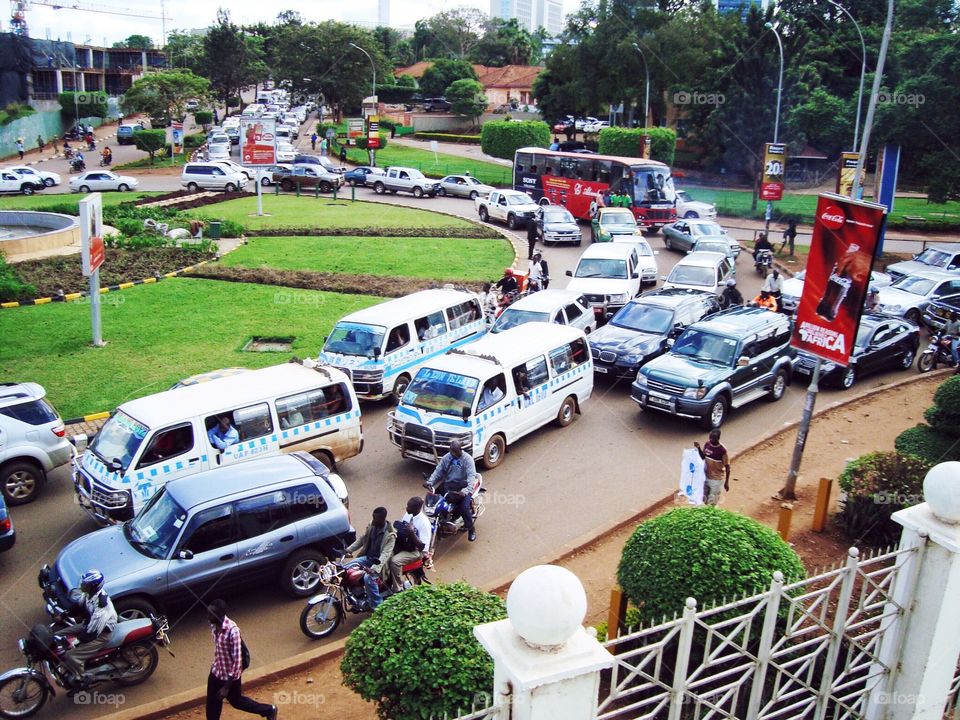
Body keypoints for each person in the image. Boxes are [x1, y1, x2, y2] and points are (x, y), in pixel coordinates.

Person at [205, 599, 277, 720]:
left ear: (218, 615)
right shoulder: (213, 625)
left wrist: (226, 687)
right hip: (216, 672)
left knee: (237, 702)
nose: (207, 616)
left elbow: (237, 661)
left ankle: (269, 710)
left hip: (230, 678)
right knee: (212, 706)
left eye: (210, 614)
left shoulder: (233, 632)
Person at [60, 569, 117, 686]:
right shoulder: (88, 594)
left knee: (72, 655)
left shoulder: (102, 605)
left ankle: (81, 679)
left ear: (93, 586)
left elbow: (93, 632)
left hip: (101, 634)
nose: (81, 585)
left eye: (84, 584)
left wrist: (77, 641)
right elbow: (78, 606)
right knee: (58, 634)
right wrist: (63, 615)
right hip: (88, 624)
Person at [345, 507, 397, 609]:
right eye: (373, 518)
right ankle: (356, 593)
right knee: (346, 568)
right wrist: (348, 550)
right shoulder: (371, 525)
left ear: (383, 519)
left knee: (368, 578)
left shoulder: (391, 535)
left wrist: (373, 569)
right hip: (367, 558)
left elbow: (385, 555)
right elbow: (362, 539)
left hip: (380, 565)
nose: (373, 520)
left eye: (376, 519)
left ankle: (377, 607)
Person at [427, 439, 478, 541]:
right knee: (436, 502)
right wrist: (430, 482)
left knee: (463, 508)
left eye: (456, 451)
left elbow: (471, 477)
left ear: (460, 449)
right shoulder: (447, 458)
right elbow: (439, 470)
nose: (454, 453)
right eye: (452, 451)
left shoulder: (468, 460)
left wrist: (465, 491)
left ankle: (471, 529)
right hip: (449, 485)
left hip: (463, 487)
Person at [389, 497, 431, 590]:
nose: (407, 508)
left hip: (415, 552)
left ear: (416, 508)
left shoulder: (424, 523)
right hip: (404, 545)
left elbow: (423, 548)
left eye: (409, 507)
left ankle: (398, 588)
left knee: (395, 561)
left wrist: (412, 534)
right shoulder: (408, 515)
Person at [694, 429, 730, 506]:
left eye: (713, 438)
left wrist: (726, 482)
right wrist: (698, 448)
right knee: (704, 500)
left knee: (712, 503)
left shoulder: (722, 450)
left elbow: (727, 467)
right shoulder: (707, 444)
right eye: (710, 438)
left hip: (716, 480)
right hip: (706, 477)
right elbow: (703, 457)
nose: (711, 440)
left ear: (718, 438)